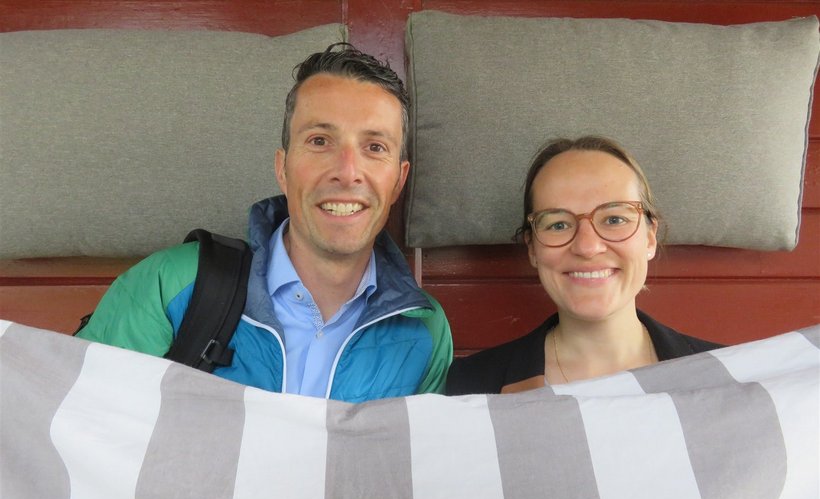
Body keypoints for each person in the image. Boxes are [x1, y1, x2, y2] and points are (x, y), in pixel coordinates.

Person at [77, 43, 453, 402]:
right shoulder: (172, 284)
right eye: (320, 141)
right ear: (282, 169)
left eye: (374, 147)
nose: (347, 171)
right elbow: (77, 423)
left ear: (398, 181)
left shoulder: (426, 329)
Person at [446, 136, 719, 395]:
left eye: (614, 220)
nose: (587, 247)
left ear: (649, 238)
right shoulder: (467, 385)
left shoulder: (729, 376)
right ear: (532, 248)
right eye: (558, 225)